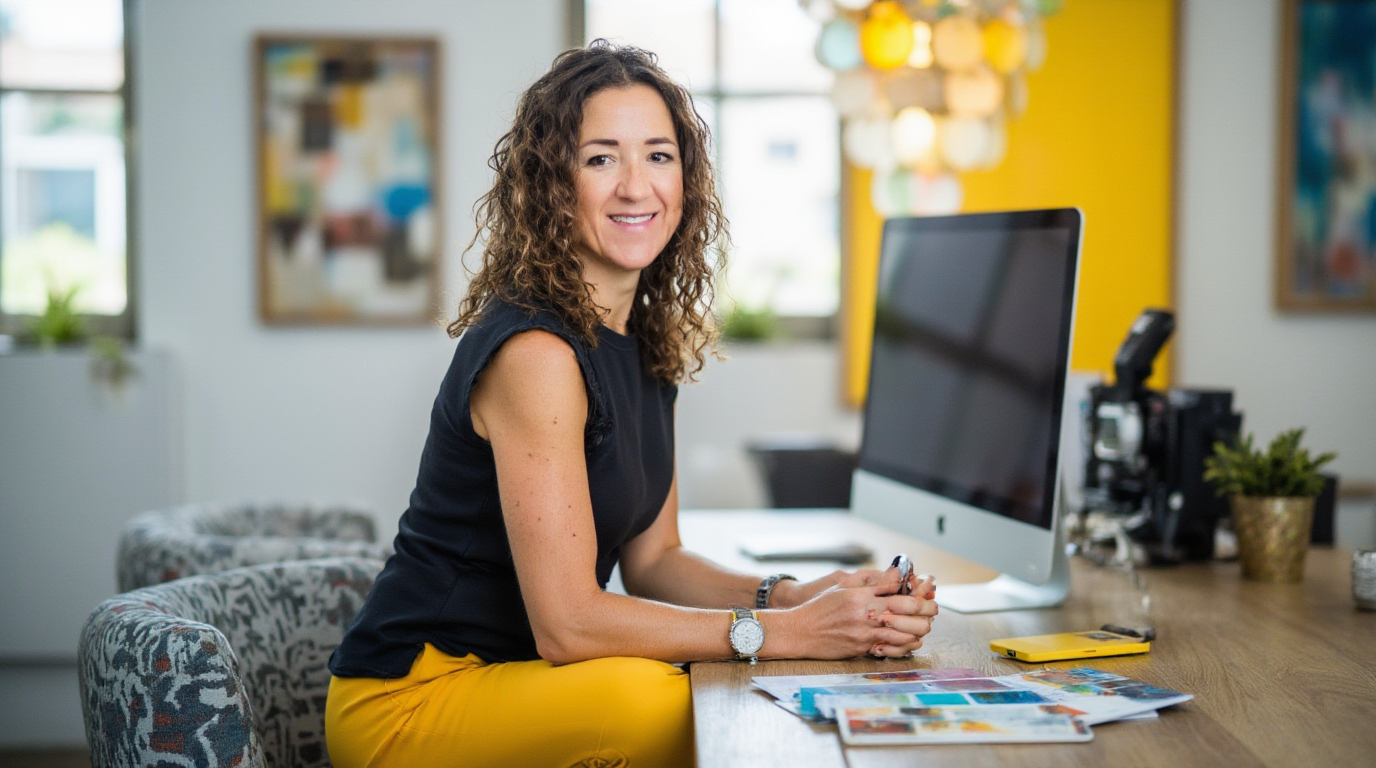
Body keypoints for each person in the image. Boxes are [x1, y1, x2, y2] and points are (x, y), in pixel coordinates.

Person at [325, 41, 939, 768]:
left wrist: (803, 597)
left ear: (687, 179)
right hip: (411, 700)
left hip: (519, 681)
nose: (635, 186)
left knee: (706, 687)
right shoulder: (537, 354)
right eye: (600, 158)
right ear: (553, 183)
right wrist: (795, 634)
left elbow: (656, 559)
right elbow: (569, 627)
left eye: (658, 155)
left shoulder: (643, 341)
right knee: (670, 701)